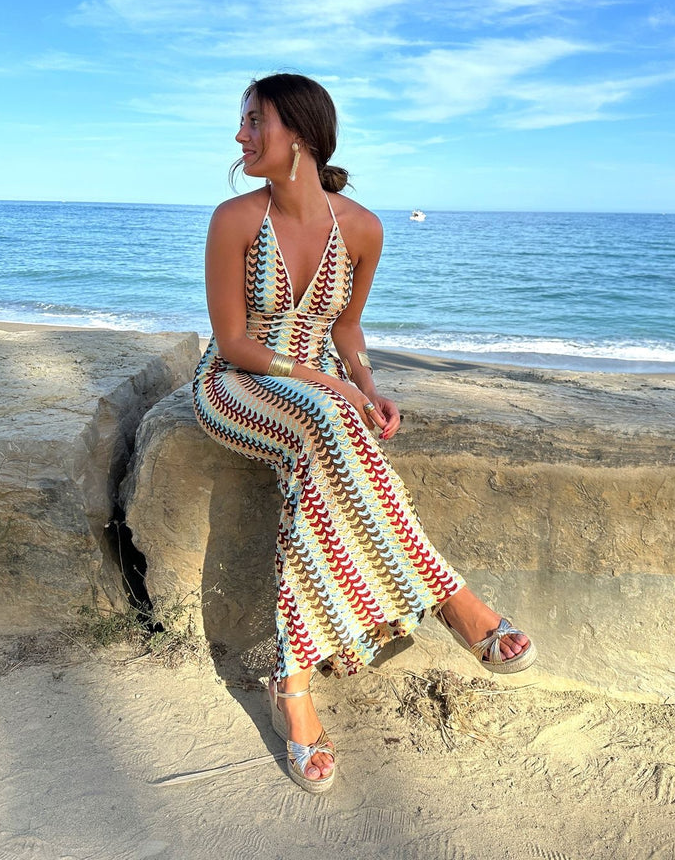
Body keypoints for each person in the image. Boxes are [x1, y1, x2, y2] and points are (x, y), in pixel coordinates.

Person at [193, 73, 536, 793]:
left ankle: (292, 687)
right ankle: (450, 599)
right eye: (243, 121)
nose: (239, 135)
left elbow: (346, 328)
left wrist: (369, 386)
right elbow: (232, 341)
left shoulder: (364, 228)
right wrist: (336, 387)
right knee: (327, 418)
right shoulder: (233, 221)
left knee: (322, 454)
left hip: (323, 389)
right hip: (237, 382)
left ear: (303, 136)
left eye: (255, 120)